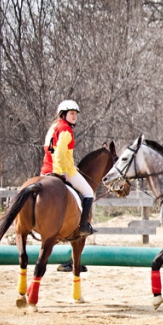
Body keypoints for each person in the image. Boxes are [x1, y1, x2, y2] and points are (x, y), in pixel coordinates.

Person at [43, 100, 95, 237]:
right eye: (71, 113)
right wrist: (63, 171)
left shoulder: (53, 127)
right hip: (61, 170)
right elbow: (60, 152)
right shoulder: (66, 129)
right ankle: (83, 226)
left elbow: (48, 149)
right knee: (89, 193)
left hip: (46, 170)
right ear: (63, 114)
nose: (74, 117)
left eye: (75, 114)